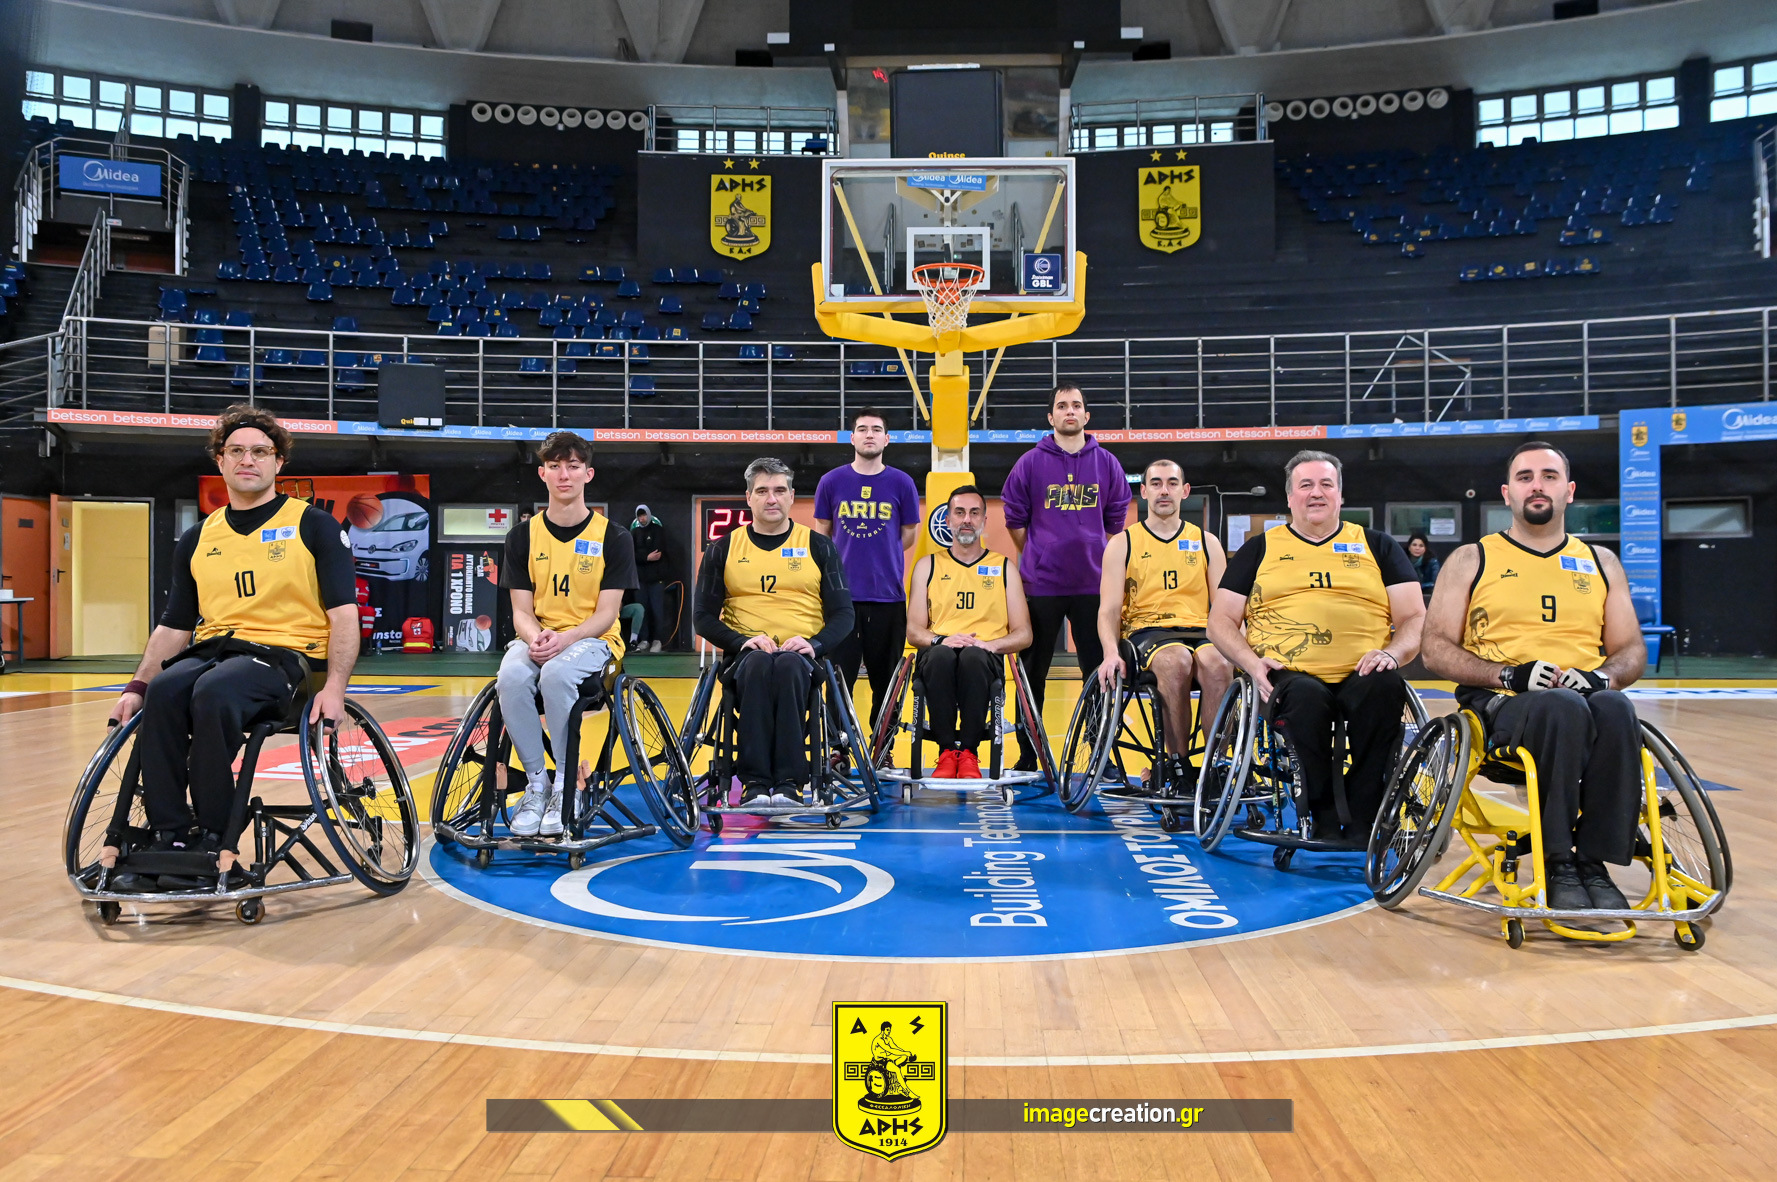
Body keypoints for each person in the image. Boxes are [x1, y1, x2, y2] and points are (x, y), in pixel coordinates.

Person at [107, 405, 359, 892]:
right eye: (236, 451)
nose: (248, 460)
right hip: (216, 651)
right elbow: (175, 625)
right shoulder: (199, 537)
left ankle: (214, 837)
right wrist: (137, 685)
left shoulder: (313, 525)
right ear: (219, 461)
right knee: (165, 691)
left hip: (287, 658)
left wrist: (335, 687)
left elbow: (344, 614)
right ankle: (170, 836)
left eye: (260, 451)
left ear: (278, 462)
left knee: (214, 692)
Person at [1421, 442, 1646, 911]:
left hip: (1583, 700)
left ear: (1569, 491)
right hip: (1499, 703)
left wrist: (1602, 678)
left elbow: (1631, 650)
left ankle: (1594, 863)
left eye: (1549, 476)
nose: (1537, 485)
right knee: (1561, 706)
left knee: (1615, 705)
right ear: (1507, 493)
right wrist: (1508, 674)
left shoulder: (1601, 562)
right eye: (1525, 477)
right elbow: (1434, 648)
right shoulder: (1472, 558)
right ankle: (1557, 860)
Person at [1208, 450, 1425, 841]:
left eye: (1326, 484)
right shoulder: (1259, 548)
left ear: (1340, 495)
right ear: (1289, 497)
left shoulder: (1377, 545)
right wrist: (1251, 663)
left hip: (1364, 669)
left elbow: (1414, 617)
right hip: (1289, 674)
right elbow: (1219, 621)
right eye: (1305, 485)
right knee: (1306, 700)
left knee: (1386, 686)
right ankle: (1320, 816)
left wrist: (1393, 654)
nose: (1316, 493)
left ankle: (1364, 817)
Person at [496, 431, 637, 838]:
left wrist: (566, 639)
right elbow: (521, 612)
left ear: (587, 474)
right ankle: (537, 784)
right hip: (539, 636)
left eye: (573, 466)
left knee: (557, 674)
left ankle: (565, 784)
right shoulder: (521, 536)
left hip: (595, 641)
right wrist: (536, 637)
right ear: (542, 473)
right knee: (511, 676)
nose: (564, 475)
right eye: (554, 466)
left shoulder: (614, 536)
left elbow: (608, 613)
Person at [696, 457, 855, 806]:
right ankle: (754, 782)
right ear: (749, 497)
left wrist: (815, 644)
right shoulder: (723, 548)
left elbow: (844, 614)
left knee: (787, 666)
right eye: (763, 491)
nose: (772, 499)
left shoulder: (819, 546)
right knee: (757, 664)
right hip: (745, 657)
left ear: (792, 496)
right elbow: (702, 617)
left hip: (802, 657)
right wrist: (741, 641)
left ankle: (788, 782)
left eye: (780, 490)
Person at [1003, 384, 1131, 767]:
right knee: (1032, 672)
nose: (1070, 411)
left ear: (1086, 416)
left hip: (1094, 585)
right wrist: (1041, 552)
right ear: (1051, 417)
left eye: (1076, 405)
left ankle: (1100, 753)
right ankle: (1029, 754)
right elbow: (1015, 521)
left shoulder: (1107, 463)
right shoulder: (1029, 463)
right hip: (1042, 585)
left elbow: (1115, 523)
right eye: (1062, 406)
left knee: (1098, 671)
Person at [1094, 460, 1233, 791]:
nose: (1164, 490)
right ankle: (1178, 765)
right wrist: (1110, 653)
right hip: (1147, 632)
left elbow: (1225, 609)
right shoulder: (1123, 543)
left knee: (1219, 662)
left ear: (1185, 491)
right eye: (1156, 483)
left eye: (1172, 483)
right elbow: (1108, 610)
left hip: (1200, 630)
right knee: (1176, 661)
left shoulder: (1207, 542)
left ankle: (1217, 766)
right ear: (1143, 492)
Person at [906, 486, 1032, 778]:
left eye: (974, 513)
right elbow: (913, 630)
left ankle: (969, 754)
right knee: (941, 657)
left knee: (973, 657)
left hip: (985, 656)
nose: (967, 519)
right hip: (939, 650)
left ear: (984, 521)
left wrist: (991, 645)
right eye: (959, 512)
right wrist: (941, 639)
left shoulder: (1004, 567)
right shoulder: (928, 566)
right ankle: (947, 752)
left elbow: (1024, 633)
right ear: (947, 520)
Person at [814, 408, 922, 730]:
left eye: (876, 429)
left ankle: (882, 744)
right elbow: (822, 535)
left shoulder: (902, 483)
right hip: (841, 599)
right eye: (862, 429)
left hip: (888, 597)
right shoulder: (831, 481)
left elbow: (908, 535)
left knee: (887, 682)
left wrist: (882, 553)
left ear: (887, 439)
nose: (869, 434)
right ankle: (838, 745)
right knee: (838, 680)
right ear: (852, 438)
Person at [629, 504, 673, 651]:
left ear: (648, 515)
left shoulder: (658, 531)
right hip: (640, 580)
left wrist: (642, 557)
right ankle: (644, 640)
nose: (642, 519)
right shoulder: (634, 533)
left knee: (657, 610)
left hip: (656, 580)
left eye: (644, 515)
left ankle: (657, 640)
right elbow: (631, 555)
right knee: (642, 610)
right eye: (639, 516)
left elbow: (658, 554)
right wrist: (646, 557)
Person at [1406, 531, 1440, 597]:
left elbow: (1436, 583)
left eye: (1421, 546)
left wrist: (1419, 587)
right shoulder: (1402, 561)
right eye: (1414, 545)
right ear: (1409, 547)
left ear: (1425, 548)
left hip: (1426, 594)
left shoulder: (1432, 562)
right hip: (1407, 594)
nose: (1417, 548)